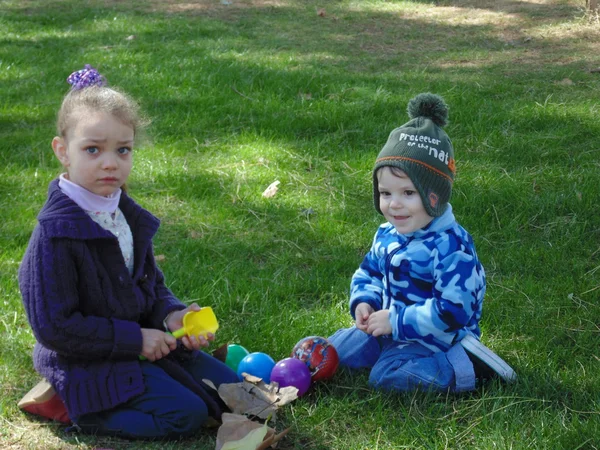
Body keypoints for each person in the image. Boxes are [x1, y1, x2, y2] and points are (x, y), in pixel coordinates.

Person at [17, 65, 238, 439]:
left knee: (230, 393)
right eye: (92, 149)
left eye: (123, 149)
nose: (110, 162)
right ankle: (70, 407)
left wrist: (171, 315)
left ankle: (152, 382)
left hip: (134, 345)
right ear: (62, 151)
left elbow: (150, 286)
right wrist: (135, 339)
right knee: (185, 415)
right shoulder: (55, 235)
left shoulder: (122, 213)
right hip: (85, 360)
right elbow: (55, 327)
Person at [328, 93, 516, 393]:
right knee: (335, 350)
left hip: (435, 340)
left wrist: (398, 320)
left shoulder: (452, 248)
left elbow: (454, 310)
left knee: (385, 377)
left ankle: (463, 366)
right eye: (386, 193)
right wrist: (365, 301)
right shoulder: (388, 234)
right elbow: (370, 273)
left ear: (435, 197)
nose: (395, 205)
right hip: (389, 328)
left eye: (408, 193)